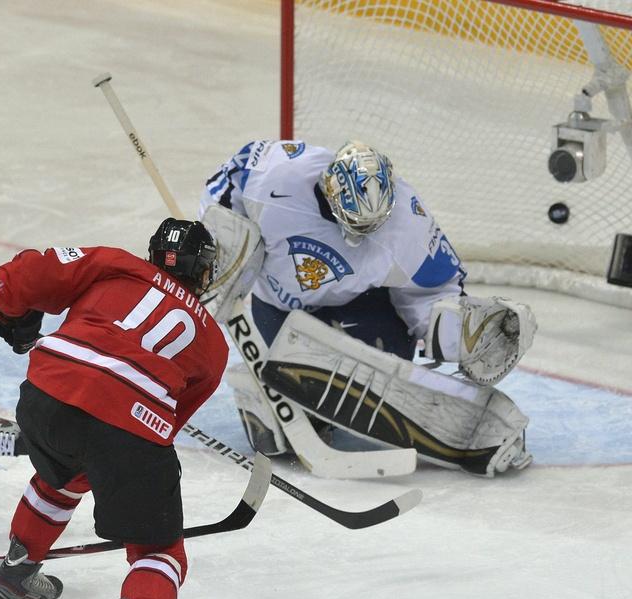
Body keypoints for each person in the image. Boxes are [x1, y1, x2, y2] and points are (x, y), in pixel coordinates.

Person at [0, 219, 228, 599]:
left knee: (66, 472)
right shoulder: (212, 345)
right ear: (205, 272)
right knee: (159, 545)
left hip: (46, 393)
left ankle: (17, 568)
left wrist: (11, 315)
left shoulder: (116, 264)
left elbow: (20, 275)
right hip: (125, 422)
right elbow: (165, 425)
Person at [199, 139, 536, 475]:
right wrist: (214, 247)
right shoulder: (276, 176)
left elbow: (432, 291)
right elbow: (224, 185)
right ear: (330, 190)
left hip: (362, 311)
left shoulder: (409, 225)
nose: (357, 236)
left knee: (379, 365)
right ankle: (292, 398)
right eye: (352, 221)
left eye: (371, 225)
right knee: (276, 434)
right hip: (276, 309)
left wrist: (460, 333)